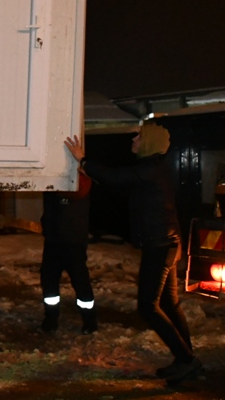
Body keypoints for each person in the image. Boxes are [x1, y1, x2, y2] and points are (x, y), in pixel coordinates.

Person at [64, 125, 201, 386]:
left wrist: (83, 160)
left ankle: (187, 360)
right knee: (169, 304)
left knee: (148, 307)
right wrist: (88, 170)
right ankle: (186, 357)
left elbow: (115, 177)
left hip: (159, 246)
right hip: (166, 243)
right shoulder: (154, 167)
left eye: (139, 136)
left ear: (149, 142)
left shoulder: (150, 168)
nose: (134, 139)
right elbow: (118, 180)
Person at [39, 168, 97, 334]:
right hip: (53, 239)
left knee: (80, 282)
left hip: (73, 241)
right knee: (49, 282)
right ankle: (50, 319)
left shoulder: (80, 174)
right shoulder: (51, 175)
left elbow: (79, 191)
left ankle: (90, 321)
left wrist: (53, 184)